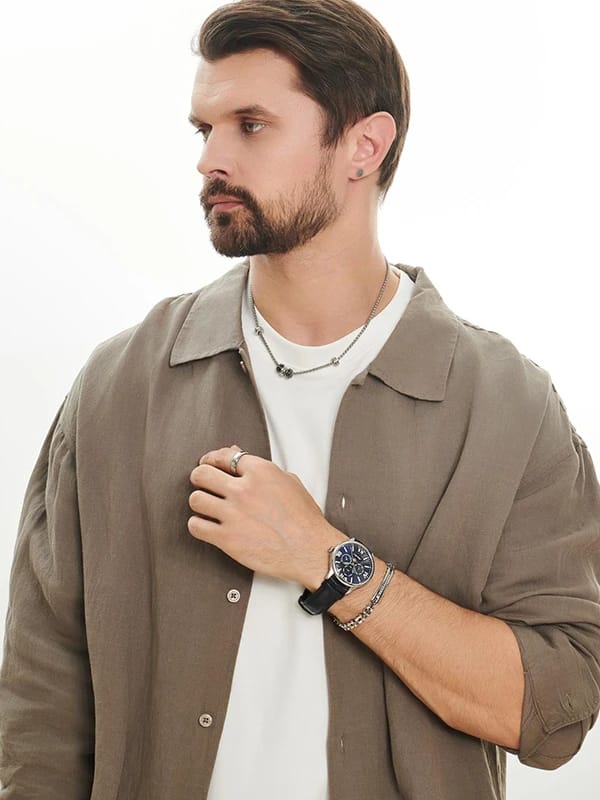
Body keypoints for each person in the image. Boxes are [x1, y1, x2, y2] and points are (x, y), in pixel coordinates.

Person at [1, 0, 599, 798]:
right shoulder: (120, 386)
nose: (210, 159)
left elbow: (556, 709)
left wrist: (325, 558)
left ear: (364, 146)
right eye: (203, 129)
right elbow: (40, 702)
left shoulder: (507, 407)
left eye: (250, 125)